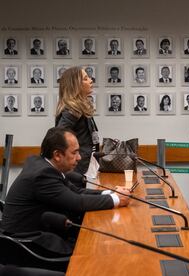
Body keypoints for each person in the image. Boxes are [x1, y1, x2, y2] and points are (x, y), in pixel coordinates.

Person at [1, 127, 130, 235]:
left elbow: (76, 191)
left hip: (38, 235)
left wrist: (111, 193)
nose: (79, 158)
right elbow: (77, 203)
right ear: (57, 155)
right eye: (74, 153)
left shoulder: (45, 166)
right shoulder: (43, 175)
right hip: (27, 246)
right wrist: (117, 199)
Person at [55, 66, 99, 176]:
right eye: (85, 78)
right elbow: (58, 136)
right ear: (76, 85)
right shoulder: (72, 110)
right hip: (73, 168)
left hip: (81, 165)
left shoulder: (80, 107)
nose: (90, 80)